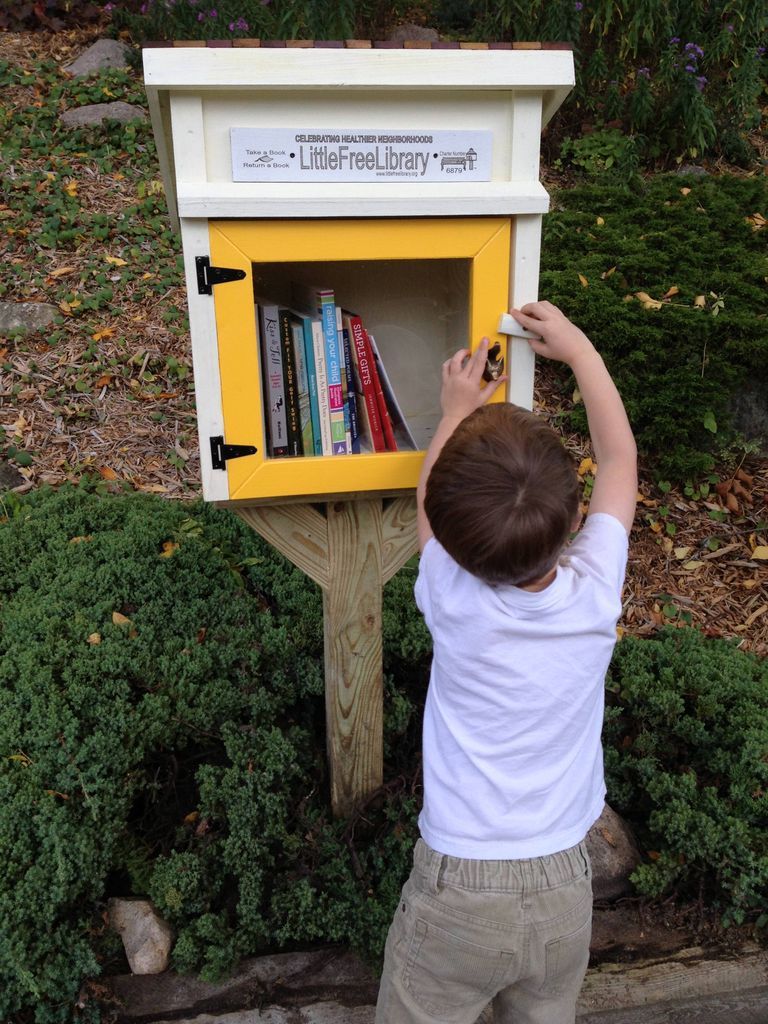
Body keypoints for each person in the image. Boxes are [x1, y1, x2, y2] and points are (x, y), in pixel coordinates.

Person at [375, 301, 637, 1024]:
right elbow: (620, 460)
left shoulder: (454, 600)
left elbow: (428, 500)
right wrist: (581, 354)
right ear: (575, 518)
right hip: (565, 889)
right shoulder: (594, 594)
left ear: (460, 550)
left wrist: (456, 406)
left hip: (459, 891)